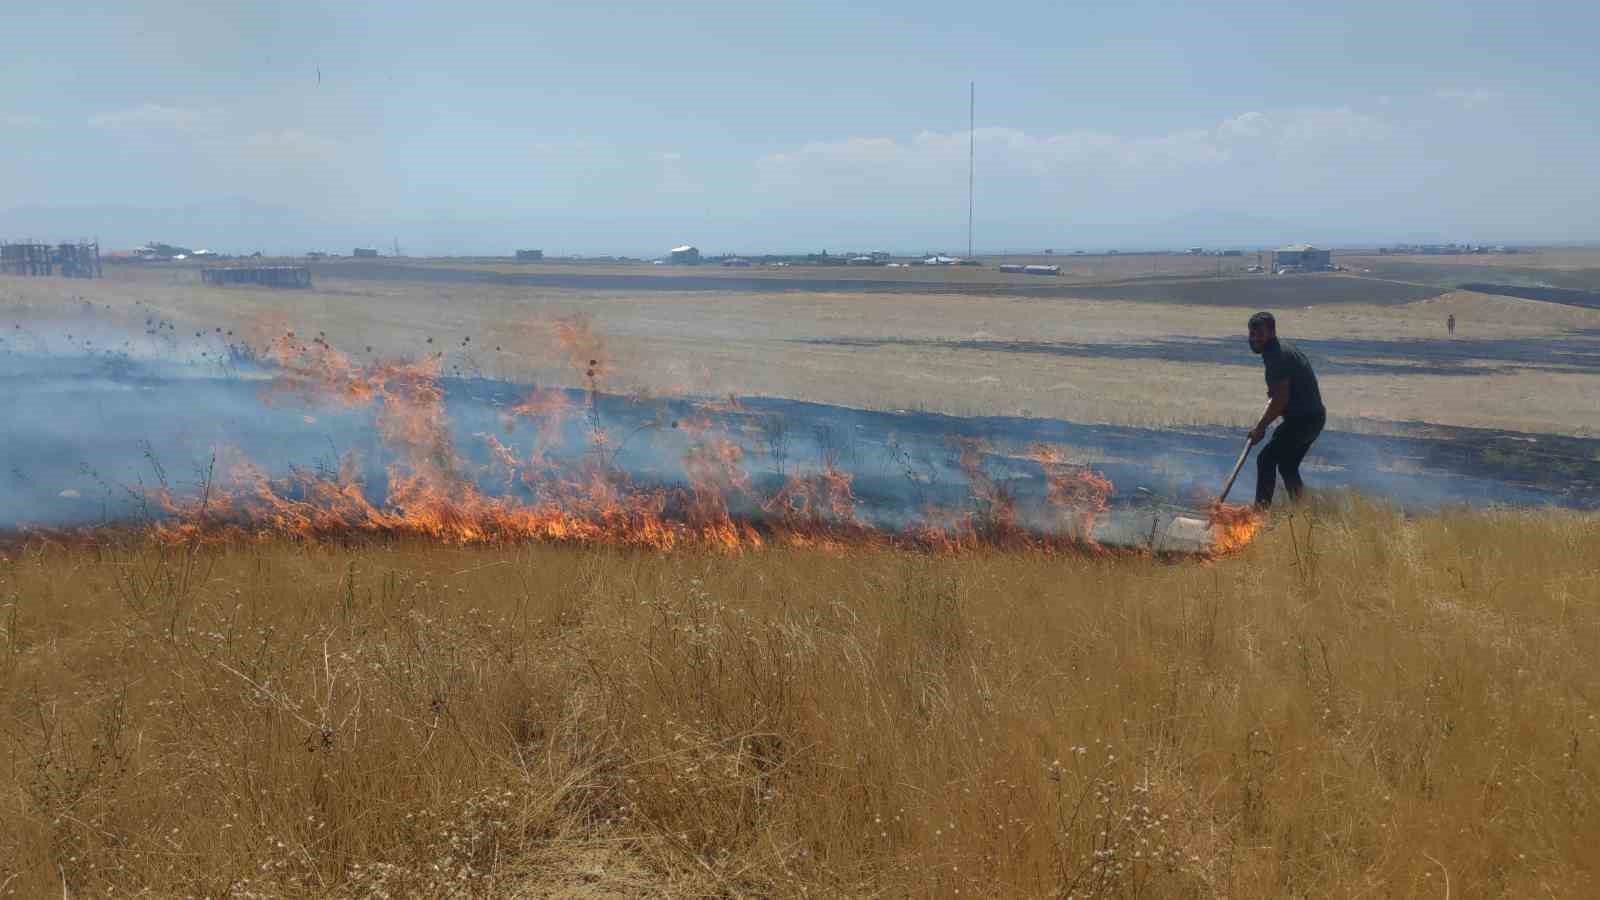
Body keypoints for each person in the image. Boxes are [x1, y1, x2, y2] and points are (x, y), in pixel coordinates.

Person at [1246, 312, 1326, 508]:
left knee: (1266, 459)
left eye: (1260, 334)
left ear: (1272, 332)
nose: (1255, 338)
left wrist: (1260, 428)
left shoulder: (1276, 356)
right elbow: (1282, 392)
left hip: (1304, 421)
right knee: (1288, 466)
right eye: (1252, 334)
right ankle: (1304, 511)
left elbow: (1280, 400)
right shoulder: (1280, 350)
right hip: (1311, 419)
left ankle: (1259, 515)